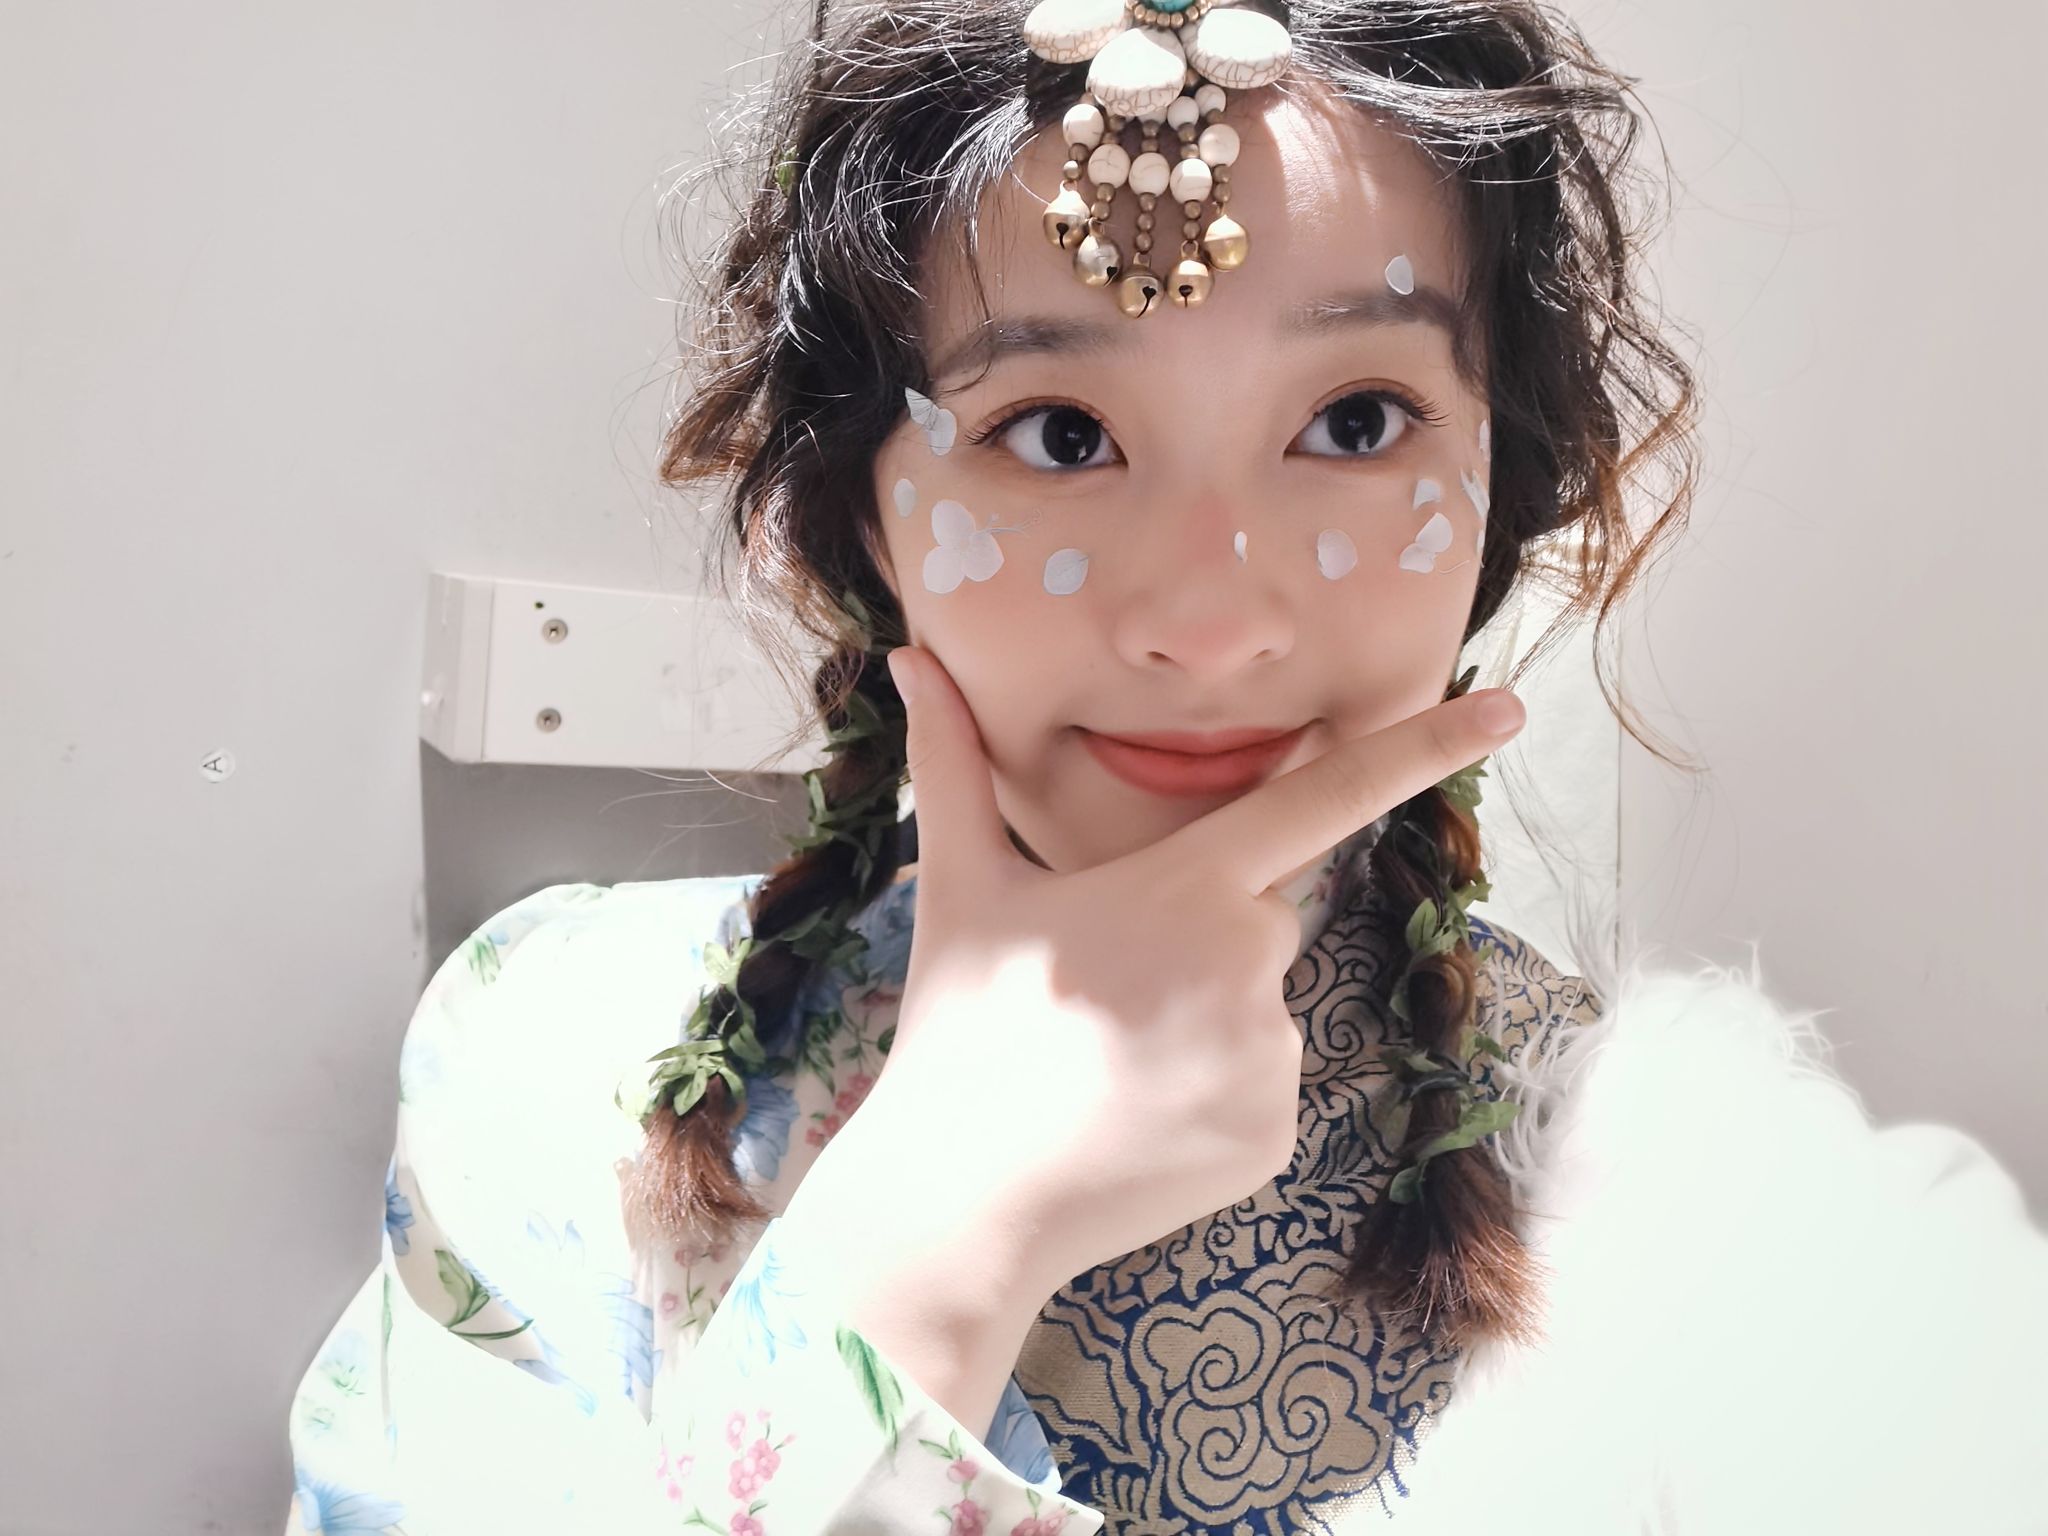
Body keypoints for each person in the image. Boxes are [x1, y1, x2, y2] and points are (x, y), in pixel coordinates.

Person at [285, 0, 2048, 1531]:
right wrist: (938, 1237)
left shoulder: (1718, 1206)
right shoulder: (557, 1059)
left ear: (1497, 493)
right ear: (860, 517)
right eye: (1060, 434)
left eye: (1354, 423)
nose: (1210, 622)